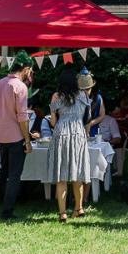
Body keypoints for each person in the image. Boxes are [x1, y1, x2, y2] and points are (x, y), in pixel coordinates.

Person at [0, 51, 33, 219]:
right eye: (30, 71)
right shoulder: (21, 87)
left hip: (1, 136)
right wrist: (27, 139)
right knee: (14, 175)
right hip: (16, 136)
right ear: (25, 69)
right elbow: (22, 117)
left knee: (3, 171)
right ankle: (7, 211)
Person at [47, 69, 92, 222]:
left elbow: (53, 122)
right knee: (77, 173)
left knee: (61, 176)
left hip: (61, 133)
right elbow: (87, 118)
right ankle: (79, 208)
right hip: (79, 133)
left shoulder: (56, 96)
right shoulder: (83, 95)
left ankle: (62, 213)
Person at [78, 68, 106, 138]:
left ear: (92, 87)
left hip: (92, 132)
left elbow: (102, 115)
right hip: (77, 132)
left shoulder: (97, 98)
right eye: (82, 89)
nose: (85, 92)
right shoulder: (75, 98)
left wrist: (90, 123)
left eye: (87, 89)